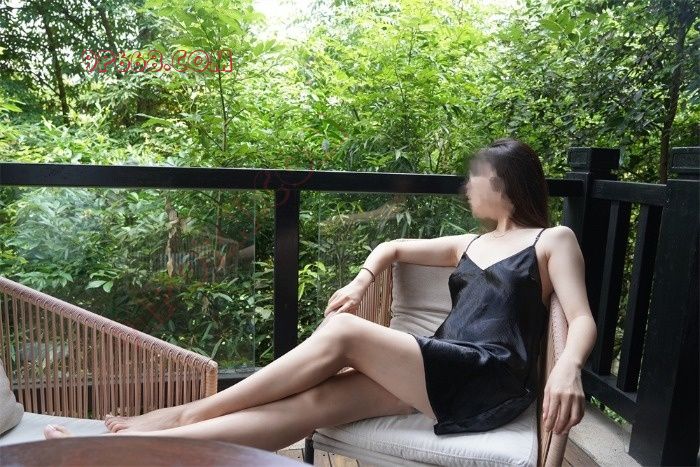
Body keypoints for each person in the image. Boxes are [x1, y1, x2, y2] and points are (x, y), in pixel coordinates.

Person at [44, 138, 596, 452]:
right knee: (310, 407)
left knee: (344, 331)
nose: (466, 186)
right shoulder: (470, 243)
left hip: (487, 376)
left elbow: (581, 318)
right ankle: (130, 454)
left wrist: (570, 365)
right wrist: (360, 280)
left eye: (475, 178)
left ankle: (184, 415)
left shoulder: (553, 240)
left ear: (505, 183)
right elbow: (391, 246)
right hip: (440, 372)